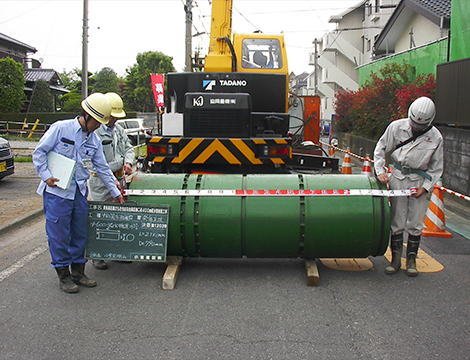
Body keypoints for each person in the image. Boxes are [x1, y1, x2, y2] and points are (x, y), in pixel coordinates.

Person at [33, 93, 124, 294]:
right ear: (87, 115)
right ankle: (63, 276)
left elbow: (102, 168)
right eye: (97, 122)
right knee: (59, 235)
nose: (99, 126)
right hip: (57, 192)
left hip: (79, 192)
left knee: (80, 233)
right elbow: (39, 152)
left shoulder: (94, 140)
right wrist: (46, 175)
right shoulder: (60, 128)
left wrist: (115, 191)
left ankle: (78, 272)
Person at [374, 96, 444, 277]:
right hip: (398, 176)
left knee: (416, 222)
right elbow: (380, 148)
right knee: (397, 219)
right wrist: (380, 170)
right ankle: (395, 259)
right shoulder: (396, 127)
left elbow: (437, 167)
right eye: (414, 124)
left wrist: (427, 187)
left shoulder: (435, 137)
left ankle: (411, 260)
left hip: (419, 180)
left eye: (420, 127)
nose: (416, 128)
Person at [89, 92, 135, 270]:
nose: (114, 120)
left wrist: (128, 162)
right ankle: (97, 255)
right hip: (100, 182)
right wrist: (117, 164)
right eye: (112, 117)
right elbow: (95, 164)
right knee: (100, 217)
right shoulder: (95, 133)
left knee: (117, 218)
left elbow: (129, 148)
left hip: (119, 179)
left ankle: (117, 252)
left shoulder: (119, 130)